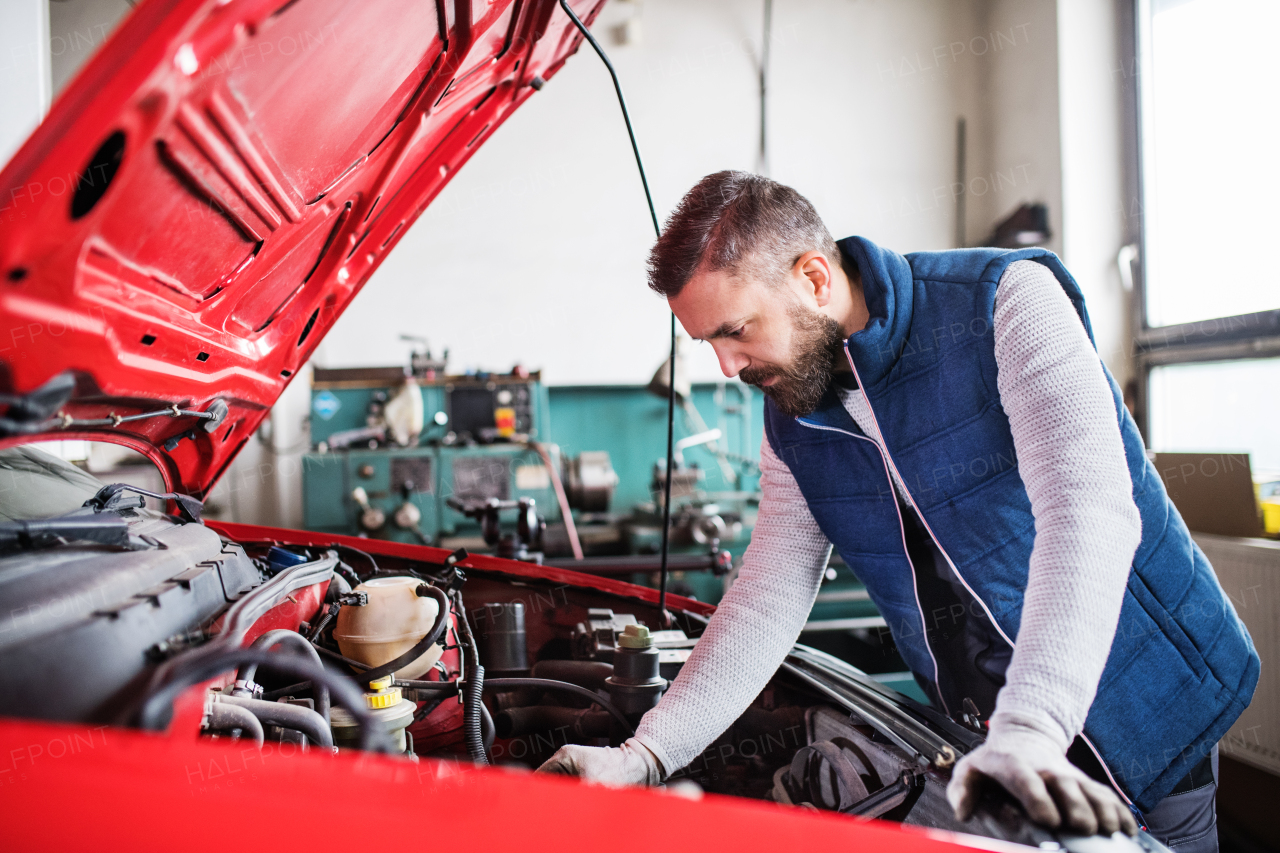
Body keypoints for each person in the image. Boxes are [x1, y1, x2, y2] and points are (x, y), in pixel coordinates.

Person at [539, 172, 1257, 852]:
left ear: (813, 279)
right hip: (995, 727)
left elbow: (1089, 511)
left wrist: (1032, 727)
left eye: (736, 330)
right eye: (709, 345)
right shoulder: (795, 414)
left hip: (1146, 701)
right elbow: (767, 597)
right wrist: (644, 756)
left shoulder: (1005, 303)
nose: (727, 367)